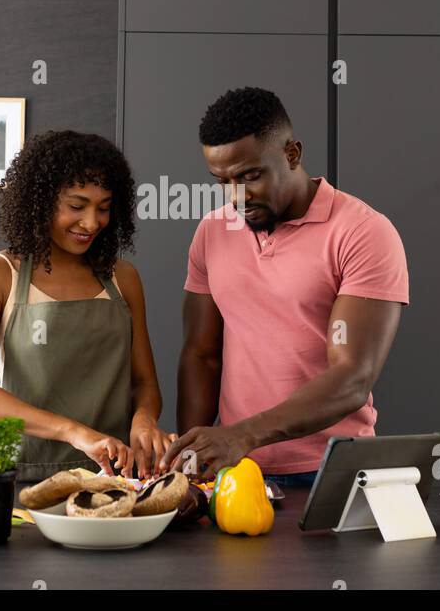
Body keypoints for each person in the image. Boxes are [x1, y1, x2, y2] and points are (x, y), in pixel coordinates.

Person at [161, 87, 409, 488]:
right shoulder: (212, 231)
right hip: (234, 472)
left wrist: (242, 434)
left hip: (332, 471)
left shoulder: (363, 232)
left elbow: (353, 377)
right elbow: (201, 355)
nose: (236, 195)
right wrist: (194, 459)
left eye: (250, 176)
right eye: (222, 181)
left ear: (292, 154)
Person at [0, 130, 173, 482]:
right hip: (21, 478)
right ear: (40, 201)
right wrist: (73, 431)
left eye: (103, 208)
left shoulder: (123, 278)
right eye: (76, 206)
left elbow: (144, 383)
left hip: (113, 479)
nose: (91, 223)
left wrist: (144, 419)